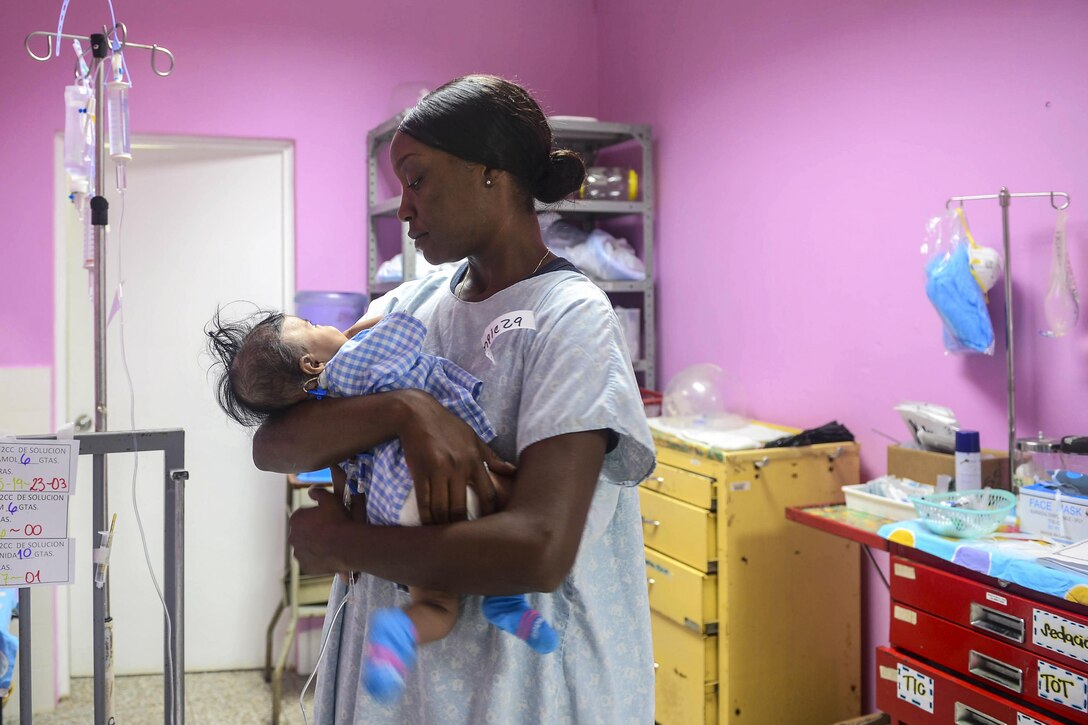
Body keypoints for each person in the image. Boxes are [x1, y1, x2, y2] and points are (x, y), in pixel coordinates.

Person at [253, 74, 656, 723]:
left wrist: (344, 542)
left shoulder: (570, 319)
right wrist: (405, 410)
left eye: (417, 179)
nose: (404, 207)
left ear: (490, 172)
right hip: (403, 689)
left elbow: (538, 549)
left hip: (519, 688)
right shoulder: (411, 303)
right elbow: (274, 441)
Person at [204, 308, 559, 702]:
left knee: (438, 604)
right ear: (311, 363)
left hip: (393, 510)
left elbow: (344, 479)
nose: (324, 324)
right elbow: (406, 329)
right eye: (310, 325)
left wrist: (354, 526)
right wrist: (374, 325)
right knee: (508, 494)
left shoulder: (326, 409)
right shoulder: (357, 361)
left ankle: (401, 631)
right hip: (433, 476)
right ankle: (506, 599)